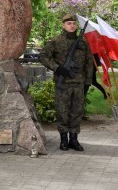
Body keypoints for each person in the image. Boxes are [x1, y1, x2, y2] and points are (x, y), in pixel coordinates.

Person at [39, 14, 93, 152]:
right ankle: (63, 140)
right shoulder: (56, 41)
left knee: (76, 112)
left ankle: (74, 139)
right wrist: (58, 68)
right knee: (62, 112)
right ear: (63, 25)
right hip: (63, 84)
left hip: (79, 84)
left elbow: (88, 63)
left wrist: (87, 82)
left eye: (74, 23)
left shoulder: (83, 43)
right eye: (69, 23)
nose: (72, 26)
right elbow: (43, 56)